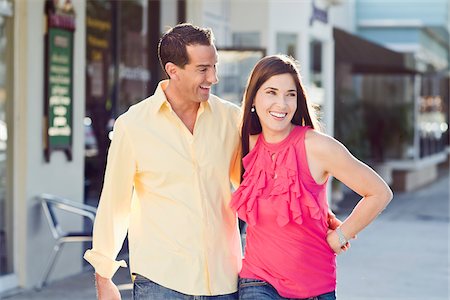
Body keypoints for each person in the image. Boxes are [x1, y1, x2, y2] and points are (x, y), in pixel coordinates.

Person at [84, 23, 243, 300]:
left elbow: (255, 187)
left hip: (223, 281)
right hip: (160, 282)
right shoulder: (133, 125)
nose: (214, 78)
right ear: (173, 71)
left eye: (214, 66)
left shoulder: (231, 120)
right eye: (203, 69)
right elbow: (114, 204)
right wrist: (103, 275)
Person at [230, 55, 393, 300]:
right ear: (254, 97)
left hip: (315, 287)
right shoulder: (245, 145)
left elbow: (379, 193)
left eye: (290, 94)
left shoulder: (318, 147)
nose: (281, 104)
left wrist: (340, 235)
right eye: (271, 92)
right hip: (258, 281)